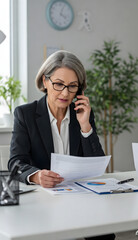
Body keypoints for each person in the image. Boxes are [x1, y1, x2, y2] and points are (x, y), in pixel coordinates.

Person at [8, 50, 115, 240]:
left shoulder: (83, 114)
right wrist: (37, 176)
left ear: (80, 90)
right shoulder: (25, 114)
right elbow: (16, 163)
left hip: (79, 197)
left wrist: (85, 126)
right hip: (43, 201)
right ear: (45, 81)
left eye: (72, 86)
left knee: (103, 234)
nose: (65, 93)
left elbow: (97, 164)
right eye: (58, 84)